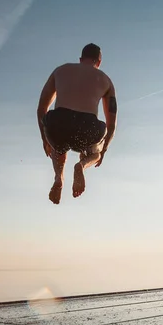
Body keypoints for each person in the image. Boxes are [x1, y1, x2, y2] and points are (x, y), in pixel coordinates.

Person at [37, 43, 118, 204]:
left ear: (80, 59)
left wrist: (45, 139)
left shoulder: (60, 70)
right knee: (96, 151)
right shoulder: (106, 80)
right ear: (99, 62)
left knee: (58, 145)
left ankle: (58, 178)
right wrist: (103, 152)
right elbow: (112, 125)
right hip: (88, 127)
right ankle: (82, 165)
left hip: (58, 122)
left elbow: (42, 108)